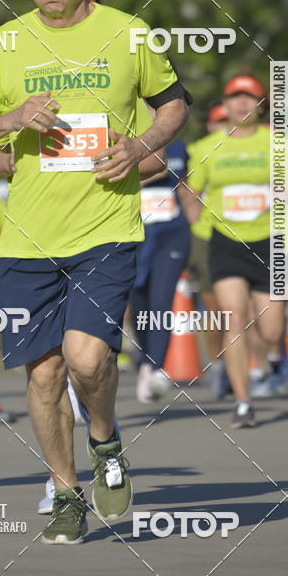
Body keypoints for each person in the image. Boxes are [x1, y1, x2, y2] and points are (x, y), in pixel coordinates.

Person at [0, 0, 190, 544]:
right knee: (43, 375)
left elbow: (174, 105)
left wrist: (138, 145)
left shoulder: (128, 33)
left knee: (87, 358)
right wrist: (12, 120)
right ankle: (65, 493)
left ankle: (105, 441)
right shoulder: (5, 43)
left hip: (105, 227)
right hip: (28, 238)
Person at [183, 74, 285, 428]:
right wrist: (192, 209)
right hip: (225, 242)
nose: (242, 103)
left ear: (261, 105)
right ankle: (243, 401)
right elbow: (191, 188)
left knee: (271, 330)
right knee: (233, 319)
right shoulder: (206, 147)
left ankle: (267, 358)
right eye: (235, 97)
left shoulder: (278, 143)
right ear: (225, 105)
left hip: (270, 241)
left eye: (250, 97)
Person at [130, 100, 190, 403]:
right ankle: (145, 359)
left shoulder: (178, 148)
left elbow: (185, 187)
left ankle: (155, 368)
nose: (152, 112)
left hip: (171, 234)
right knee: (137, 302)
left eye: (155, 107)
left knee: (161, 301)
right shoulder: (121, 141)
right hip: (133, 234)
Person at [181, 101, 231, 399]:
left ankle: (254, 365)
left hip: (250, 238)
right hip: (207, 237)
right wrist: (190, 208)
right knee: (215, 309)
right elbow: (183, 187)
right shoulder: (198, 151)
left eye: (228, 120)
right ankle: (218, 365)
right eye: (218, 121)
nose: (224, 126)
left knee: (246, 309)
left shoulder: (255, 149)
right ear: (210, 125)